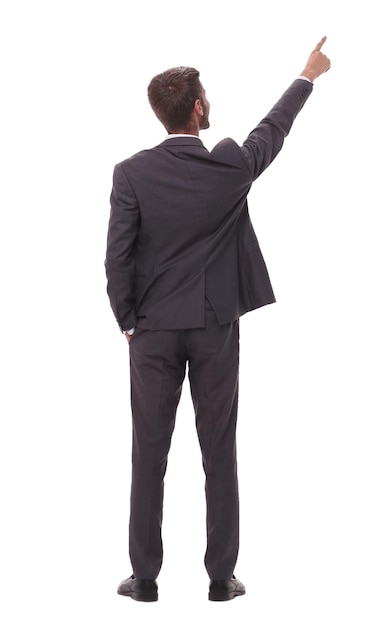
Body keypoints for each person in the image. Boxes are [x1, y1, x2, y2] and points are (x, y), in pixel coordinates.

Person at [105, 36, 331, 602]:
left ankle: (145, 579)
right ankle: (220, 579)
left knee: (148, 453)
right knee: (218, 449)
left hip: (152, 330)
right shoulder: (229, 165)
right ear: (199, 109)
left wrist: (128, 320)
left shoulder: (131, 173)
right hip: (212, 327)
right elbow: (270, 133)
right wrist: (306, 75)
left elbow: (118, 256)